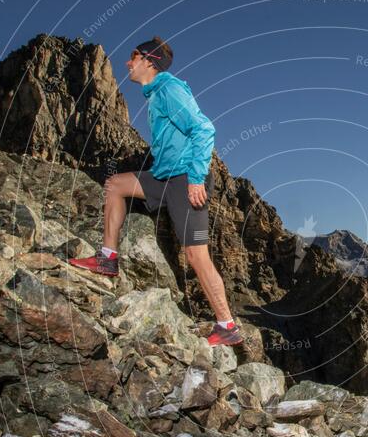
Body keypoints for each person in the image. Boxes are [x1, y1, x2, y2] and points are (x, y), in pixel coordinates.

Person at [69, 37, 242, 347]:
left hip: (185, 179)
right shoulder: (155, 93)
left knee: (195, 255)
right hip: (164, 176)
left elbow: (204, 129)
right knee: (115, 185)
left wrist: (196, 179)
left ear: (149, 60)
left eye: (133, 56)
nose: (127, 62)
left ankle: (226, 325)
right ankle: (108, 258)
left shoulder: (169, 89)